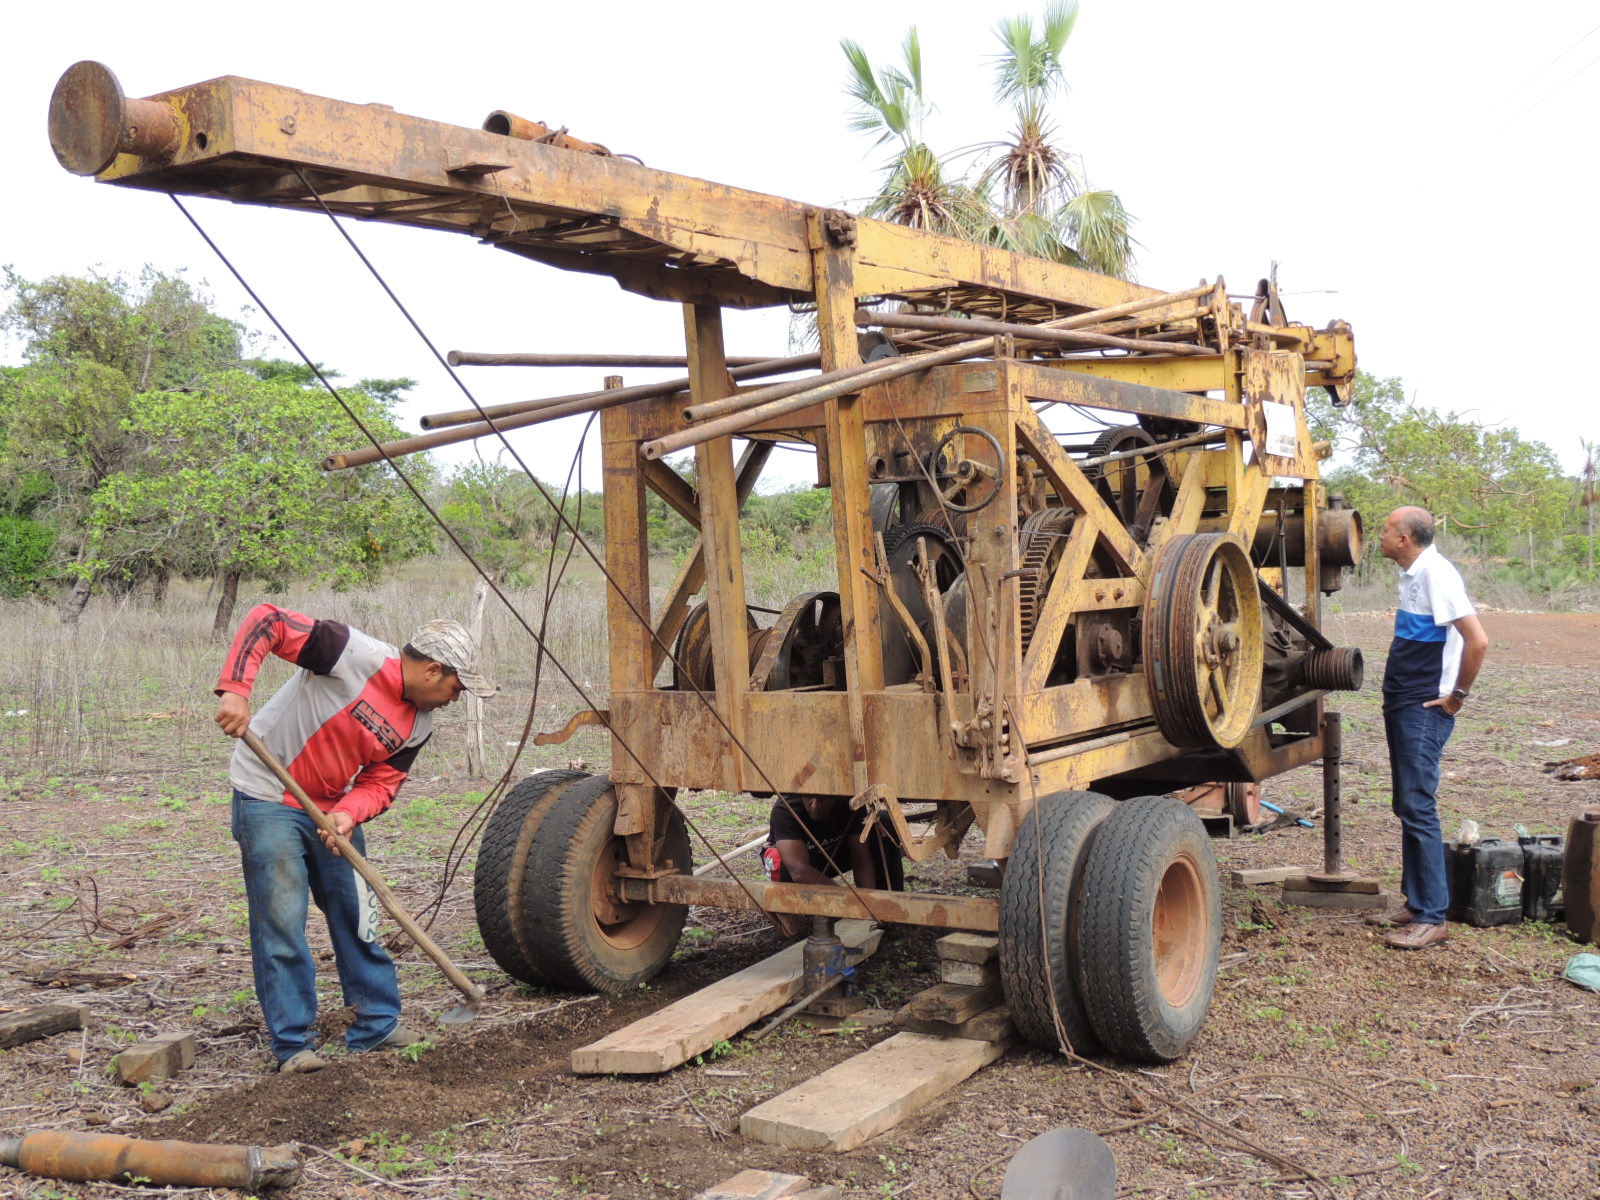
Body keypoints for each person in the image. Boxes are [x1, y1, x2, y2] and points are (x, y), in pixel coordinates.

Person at [214, 605, 495, 1073]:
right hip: (267, 794)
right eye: (455, 687)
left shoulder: (418, 724)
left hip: (329, 807)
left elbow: (381, 784)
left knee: (359, 913)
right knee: (282, 921)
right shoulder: (350, 654)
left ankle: (376, 1024)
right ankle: (294, 1044)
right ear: (432, 669)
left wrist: (347, 813)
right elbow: (268, 621)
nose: (454, 698)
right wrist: (236, 691)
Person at [1364, 507, 1489, 950]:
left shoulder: (1437, 574)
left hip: (1424, 706)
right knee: (1406, 802)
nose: (1379, 536)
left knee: (1418, 805)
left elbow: (1479, 640)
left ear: (1405, 538)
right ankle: (1417, 903)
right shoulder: (1414, 572)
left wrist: (1457, 697)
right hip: (1403, 699)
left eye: (1385, 529)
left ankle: (1434, 916)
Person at [764, 795, 904, 891]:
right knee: (778, 860)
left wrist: (867, 901)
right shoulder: (784, 809)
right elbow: (799, 871)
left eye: (823, 799)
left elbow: (861, 860)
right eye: (808, 797)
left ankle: (888, 904)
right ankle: (797, 911)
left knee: (884, 823)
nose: (815, 806)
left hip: (837, 854)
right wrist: (848, 899)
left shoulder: (850, 802)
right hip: (809, 861)